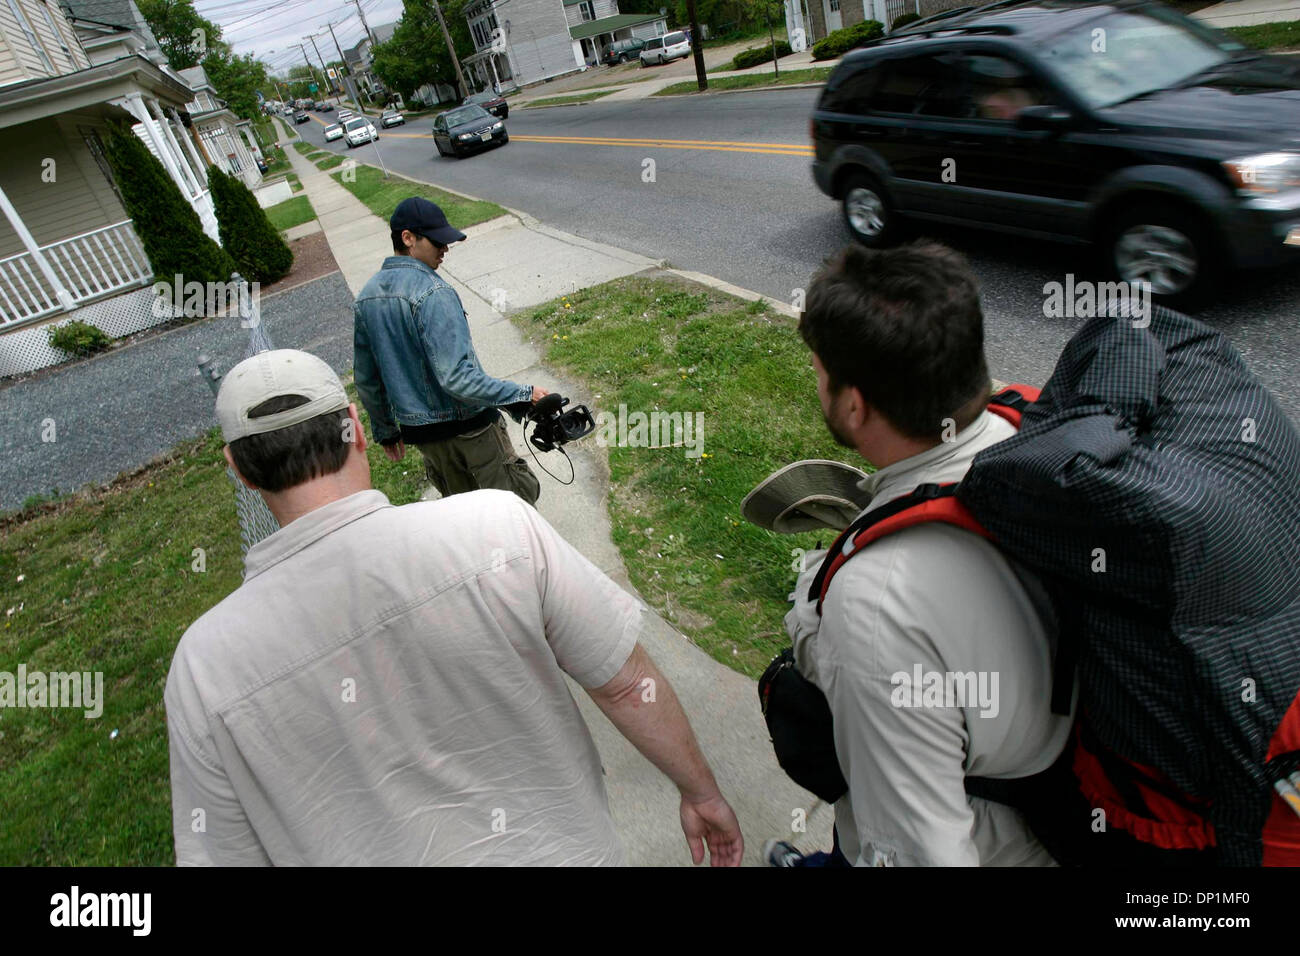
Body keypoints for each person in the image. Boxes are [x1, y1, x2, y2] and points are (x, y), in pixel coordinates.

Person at [165, 348, 744, 866]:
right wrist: (702, 793)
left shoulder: (202, 666)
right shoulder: (496, 526)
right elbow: (624, 683)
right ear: (356, 430)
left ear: (237, 468)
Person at [768, 243, 1074, 866]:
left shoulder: (879, 605)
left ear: (854, 404)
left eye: (821, 371)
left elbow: (914, 852)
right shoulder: (1034, 427)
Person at [353, 196, 544, 505]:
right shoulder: (433, 292)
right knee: (511, 511)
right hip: (472, 432)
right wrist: (523, 393)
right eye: (438, 241)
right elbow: (456, 379)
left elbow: (366, 378)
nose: (445, 249)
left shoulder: (367, 298)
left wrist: (386, 430)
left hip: (428, 441)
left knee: (464, 519)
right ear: (408, 238)